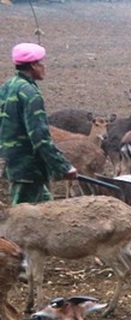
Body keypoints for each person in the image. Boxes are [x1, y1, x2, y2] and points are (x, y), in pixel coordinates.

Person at [0, 42, 76, 204]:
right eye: (41, 63)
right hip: (28, 169)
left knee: (47, 211)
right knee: (24, 222)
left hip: (14, 164)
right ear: (34, 65)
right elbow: (40, 137)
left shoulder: (7, 86)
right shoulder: (30, 93)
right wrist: (63, 167)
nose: (44, 67)